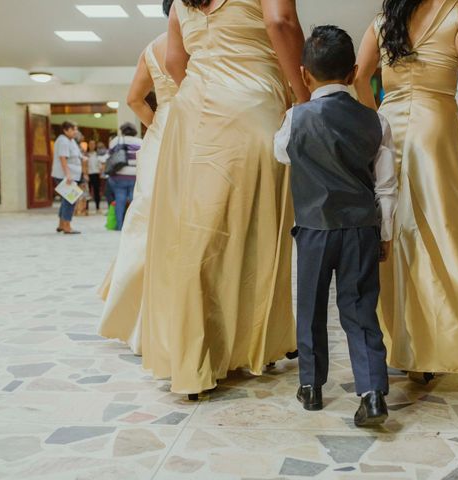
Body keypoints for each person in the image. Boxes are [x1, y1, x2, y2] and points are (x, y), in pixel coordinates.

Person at [141, 0, 309, 396]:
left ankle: (193, 353)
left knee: (192, 230)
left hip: (193, 109)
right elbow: (280, 22)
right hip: (251, 105)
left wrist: (206, 83)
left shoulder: (181, 2)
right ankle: (253, 345)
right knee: (256, 228)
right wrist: (302, 96)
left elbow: (174, 62)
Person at [354, 0, 458, 382]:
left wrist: (373, 121)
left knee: (391, 230)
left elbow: (358, 77)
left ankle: (399, 340)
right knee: (441, 229)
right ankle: (438, 344)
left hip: (390, 123)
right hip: (436, 124)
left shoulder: (384, 18)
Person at [274, 26, 398, 426]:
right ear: (355, 72)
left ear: (305, 74)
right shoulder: (376, 122)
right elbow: (387, 186)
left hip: (312, 228)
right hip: (361, 229)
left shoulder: (297, 117)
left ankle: (311, 387)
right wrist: (386, 234)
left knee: (310, 307)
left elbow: (280, 154)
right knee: (361, 309)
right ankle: (373, 393)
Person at [98, 0, 179, 355]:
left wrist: (158, 122)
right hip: (198, 132)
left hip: (160, 140)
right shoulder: (203, 45)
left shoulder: (153, 48)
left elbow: (134, 98)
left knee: (145, 221)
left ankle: (129, 309)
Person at [108, 122, 143, 230]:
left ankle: (120, 226)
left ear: (122, 131)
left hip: (119, 176)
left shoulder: (116, 141)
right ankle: (133, 226)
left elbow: (110, 156)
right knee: (134, 200)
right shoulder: (140, 142)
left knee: (120, 200)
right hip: (135, 175)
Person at [51, 121, 83, 234]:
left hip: (72, 174)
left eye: (76, 129)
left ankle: (61, 224)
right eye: (73, 129)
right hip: (65, 175)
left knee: (67, 199)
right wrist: (68, 174)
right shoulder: (63, 141)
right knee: (70, 199)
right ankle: (67, 226)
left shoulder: (71, 140)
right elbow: (62, 158)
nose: (75, 132)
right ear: (65, 130)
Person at [87, 139, 104, 213]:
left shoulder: (97, 155)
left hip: (96, 175)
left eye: (93, 144)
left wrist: (101, 173)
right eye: (90, 144)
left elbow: (101, 165)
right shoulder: (86, 155)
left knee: (97, 191)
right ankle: (86, 208)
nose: (92, 146)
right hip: (88, 175)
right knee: (87, 192)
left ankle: (97, 207)